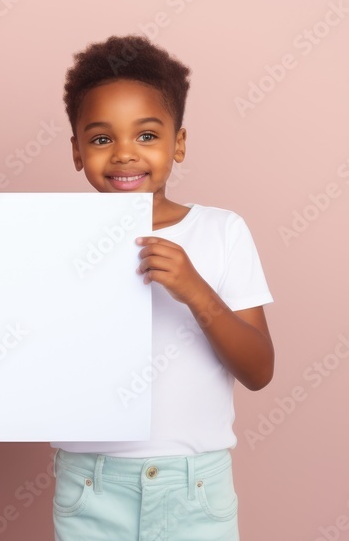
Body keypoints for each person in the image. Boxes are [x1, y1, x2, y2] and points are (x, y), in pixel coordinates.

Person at [52, 35, 275, 540]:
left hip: (194, 487)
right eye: (101, 139)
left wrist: (196, 291)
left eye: (147, 135)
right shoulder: (56, 241)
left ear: (179, 143)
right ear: (77, 151)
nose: (124, 154)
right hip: (90, 484)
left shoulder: (221, 231)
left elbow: (259, 370)